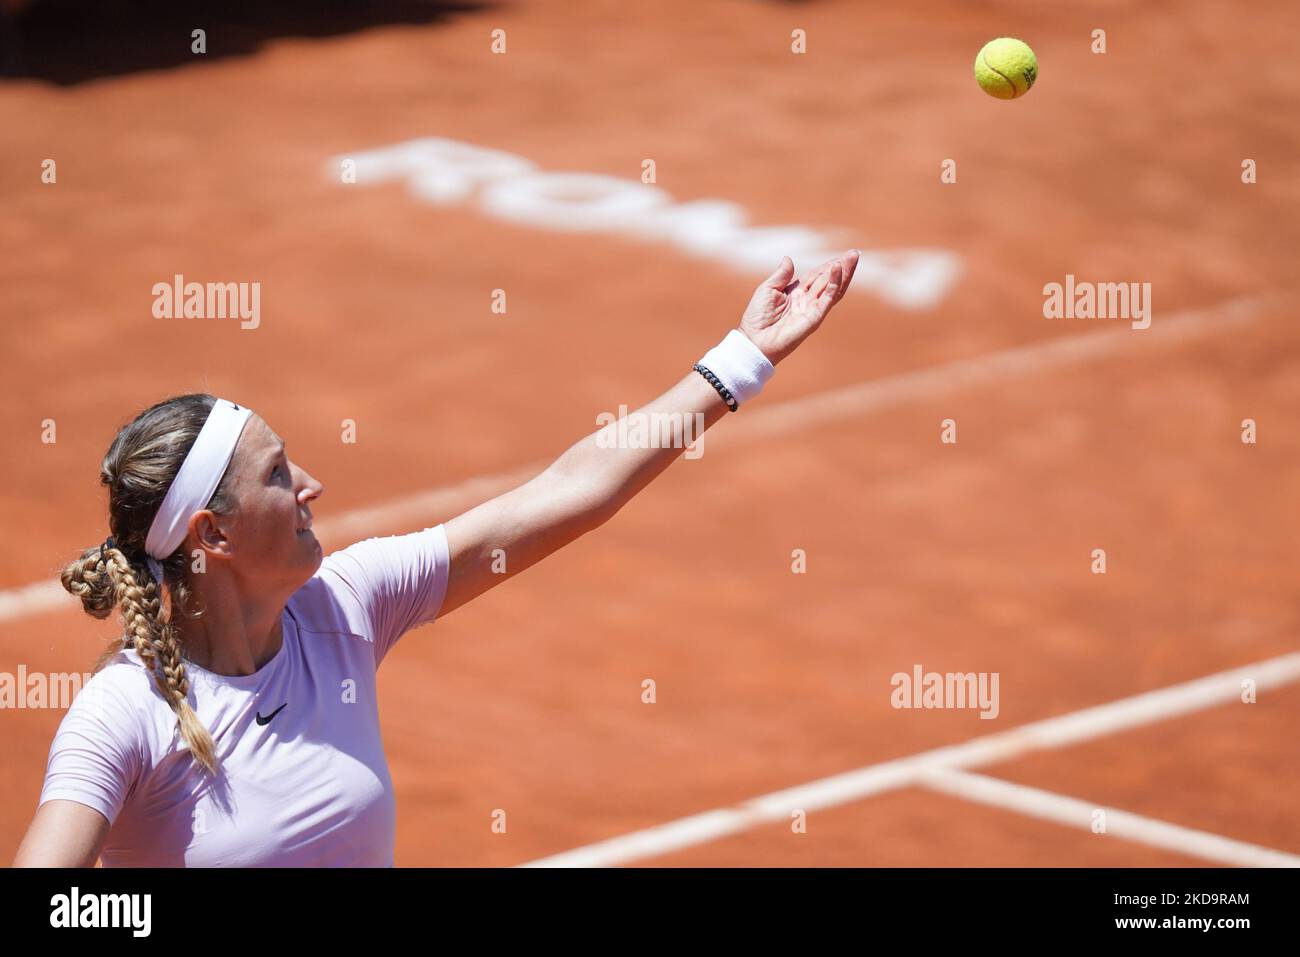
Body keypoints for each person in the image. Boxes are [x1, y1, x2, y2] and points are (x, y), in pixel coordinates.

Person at [13, 251, 860, 866]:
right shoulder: (124, 713)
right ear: (214, 535)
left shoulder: (345, 607)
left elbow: (570, 492)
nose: (313, 484)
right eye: (277, 474)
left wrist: (741, 361)